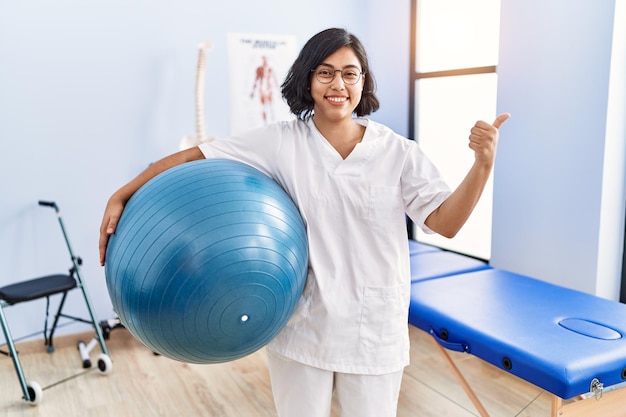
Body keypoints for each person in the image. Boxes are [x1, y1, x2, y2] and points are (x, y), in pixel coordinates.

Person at [99, 28, 509, 417]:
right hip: (303, 327)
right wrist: (123, 193)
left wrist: (482, 165)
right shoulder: (281, 141)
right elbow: (196, 155)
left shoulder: (398, 152)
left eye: (350, 73)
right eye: (325, 72)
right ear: (308, 80)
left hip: (373, 331)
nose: (338, 85)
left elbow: (445, 223)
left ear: (363, 81)